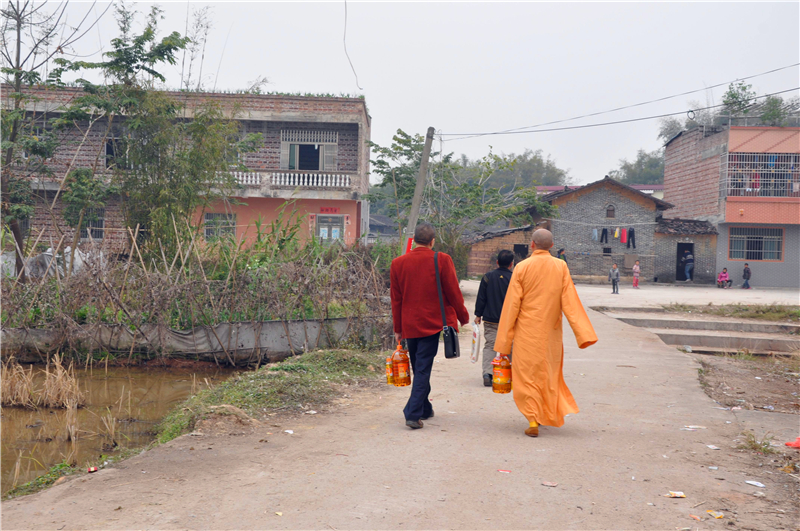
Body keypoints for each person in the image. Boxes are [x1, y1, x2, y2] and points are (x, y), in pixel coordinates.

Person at [494, 229, 597, 437]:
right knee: (546, 374)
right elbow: (570, 301)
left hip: (526, 332)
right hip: (550, 332)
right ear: (551, 246)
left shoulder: (522, 267)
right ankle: (541, 414)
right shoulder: (560, 266)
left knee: (525, 376)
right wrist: (583, 334)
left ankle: (532, 418)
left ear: (532, 245)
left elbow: (512, 306)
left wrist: (504, 343)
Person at [390, 223, 469, 430]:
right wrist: (463, 316)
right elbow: (453, 292)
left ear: (414, 240)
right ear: (432, 241)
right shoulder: (441, 260)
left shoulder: (398, 263)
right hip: (432, 323)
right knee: (422, 368)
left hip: (409, 323)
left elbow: (396, 299)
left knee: (419, 366)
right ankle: (413, 413)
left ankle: (425, 408)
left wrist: (397, 327)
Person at [474, 250, 514, 387]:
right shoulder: (515, 278)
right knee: (510, 346)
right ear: (511, 264)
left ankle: (487, 373)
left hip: (490, 319)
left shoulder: (487, 277)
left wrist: (478, 315)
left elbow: (481, 297)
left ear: (497, 262)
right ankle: (508, 373)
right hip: (509, 320)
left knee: (490, 345)